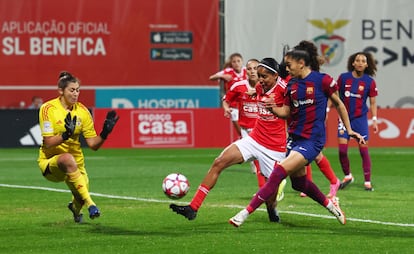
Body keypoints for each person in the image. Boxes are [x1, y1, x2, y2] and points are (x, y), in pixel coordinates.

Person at [229, 40, 365, 227]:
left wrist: (349, 130)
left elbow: (340, 104)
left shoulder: (322, 80)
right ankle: (331, 205)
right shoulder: (291, 85)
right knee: (299, 184)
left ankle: (244, 213)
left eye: (289, 64)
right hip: (294, 138)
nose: (287, 67)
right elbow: (285, 113)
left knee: (278, 172)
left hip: (313, 140)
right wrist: (272, 107)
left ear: (301, 63)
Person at [171, 58, 288, 223]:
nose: (260, 80)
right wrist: (255, 93)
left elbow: (293, 112)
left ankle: (272, 209)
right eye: (258, 75)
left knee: (270, 195)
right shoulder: (260, 87)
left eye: (264, 76)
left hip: (274, 148)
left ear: (276, 75)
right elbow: (246, 94)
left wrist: (276, 108)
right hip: (254, 138)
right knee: (219, 162)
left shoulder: (285, 90)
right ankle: (193, 207)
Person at [37, 71, 119, 223]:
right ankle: (92, 204)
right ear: (61, 91)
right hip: (51, 163)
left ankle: (75, 209)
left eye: (78, 90)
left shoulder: (83, 112)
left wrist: (105, 133)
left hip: (76, 165)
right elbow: (48, 142)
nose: (75, 94)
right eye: (71, 90)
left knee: (79, 198)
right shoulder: (48, 109)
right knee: (67, 159)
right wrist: (65, 135)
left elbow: (93, 145)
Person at [336, 52, 378, 191]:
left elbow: (372, 103)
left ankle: (367, 181)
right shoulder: (343, 78)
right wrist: (327, 111)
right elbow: (335, 96)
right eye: (357, 60)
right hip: (344, 118)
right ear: (353, 63)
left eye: (363, 61)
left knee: (363, 151)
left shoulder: (369, 82)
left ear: (367, 64)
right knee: (342, 151)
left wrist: (374, 119)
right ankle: (348, 175)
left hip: (360, 120)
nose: (360, 63)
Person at [222, 58, 266, 186]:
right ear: (245, 71)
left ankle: (265, 188)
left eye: (255, 68)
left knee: (259, 159)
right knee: (257, 160)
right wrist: (226, 109)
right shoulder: (238, 86)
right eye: (249, 69)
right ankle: (269, 187)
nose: (252, 71)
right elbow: (226, 100)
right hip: (245, 130)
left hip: (261, 130)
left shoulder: (267, 86)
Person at [210, 53, 247, 137]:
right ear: (231, 63)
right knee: (241, 133)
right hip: (233, 105)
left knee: (249, 131)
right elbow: (211, 77)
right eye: (234, 62)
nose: (236, 63)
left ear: (242, 62)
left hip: (245, 105)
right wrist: (223, 76)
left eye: (238, 61)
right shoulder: (228, 71)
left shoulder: (247, 71)